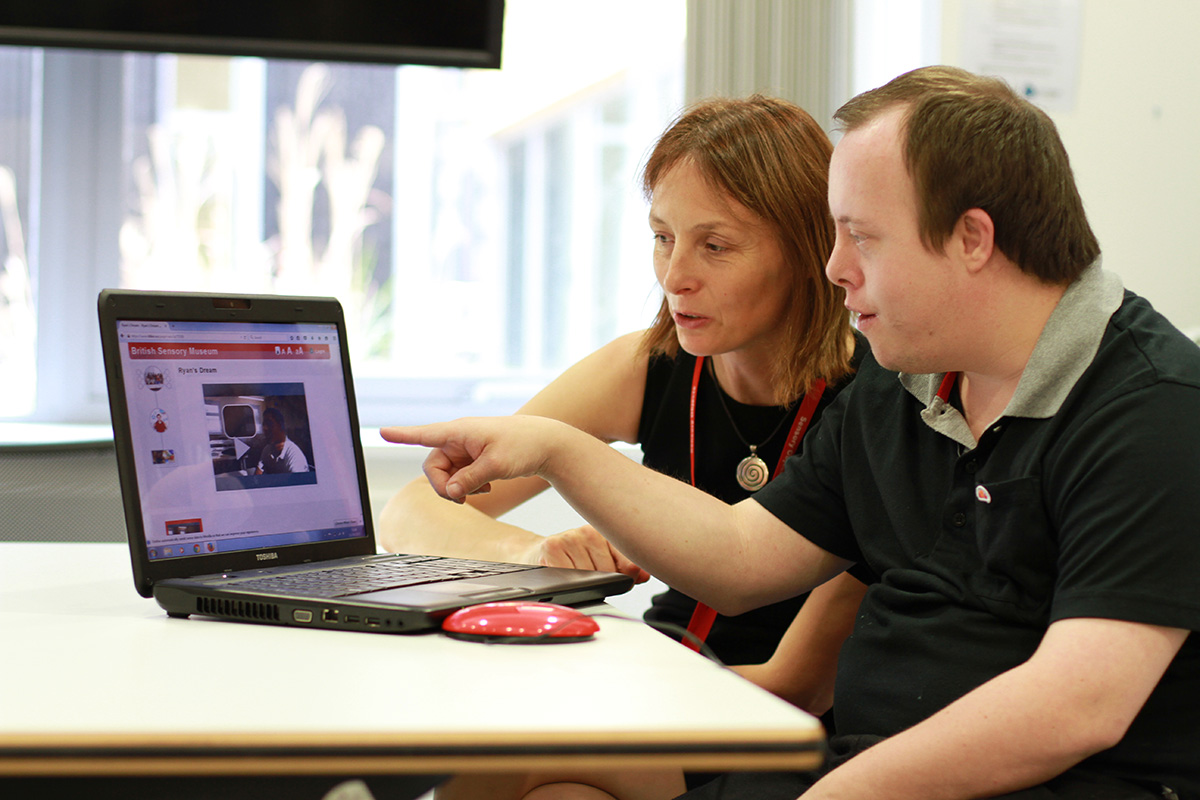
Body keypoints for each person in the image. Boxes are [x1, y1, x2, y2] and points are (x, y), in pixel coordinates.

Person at [383, 65, 1200, 800]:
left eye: (862, 236)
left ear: (972, 239)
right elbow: (739, 561)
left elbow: (1076, 708)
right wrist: (561, 451)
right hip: (851, 759)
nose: (837, 267)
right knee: (523, 765)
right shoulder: (901, 388)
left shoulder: (1156, 409)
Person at [379, 95, 869, 799]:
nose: (674, 278)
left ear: (807, 249)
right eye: (663, 236)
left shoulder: (873, 404)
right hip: (660, 690)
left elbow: (793, 688)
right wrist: (531, 557)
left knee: (524, 748)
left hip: (771, 733)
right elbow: (413, 507)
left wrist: (610, 692)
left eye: (716, 245)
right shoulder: (649, 365)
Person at [256, 407, 309, 474]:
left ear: (281, 426)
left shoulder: (294, 454)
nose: (265, 428)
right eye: (264, 424)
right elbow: (257, 476)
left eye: (269, 423)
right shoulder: (267, 450)